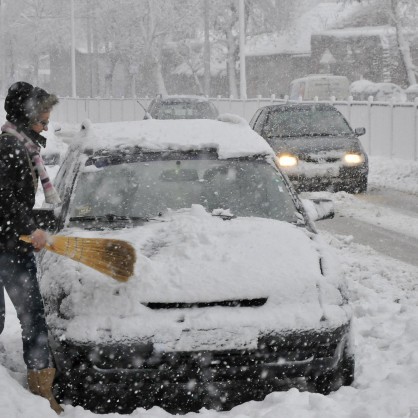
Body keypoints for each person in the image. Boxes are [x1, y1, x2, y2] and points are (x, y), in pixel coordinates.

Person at [0, 81, 63, 414]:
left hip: (8, 240)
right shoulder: (10, 148)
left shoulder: (20, 146)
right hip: (7, 245)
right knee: (33, 319)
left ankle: (24, 394)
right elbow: (4, 199)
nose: (46, 127)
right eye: (41, 120)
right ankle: (41, 395)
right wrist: (30, 229)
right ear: (25, 118)